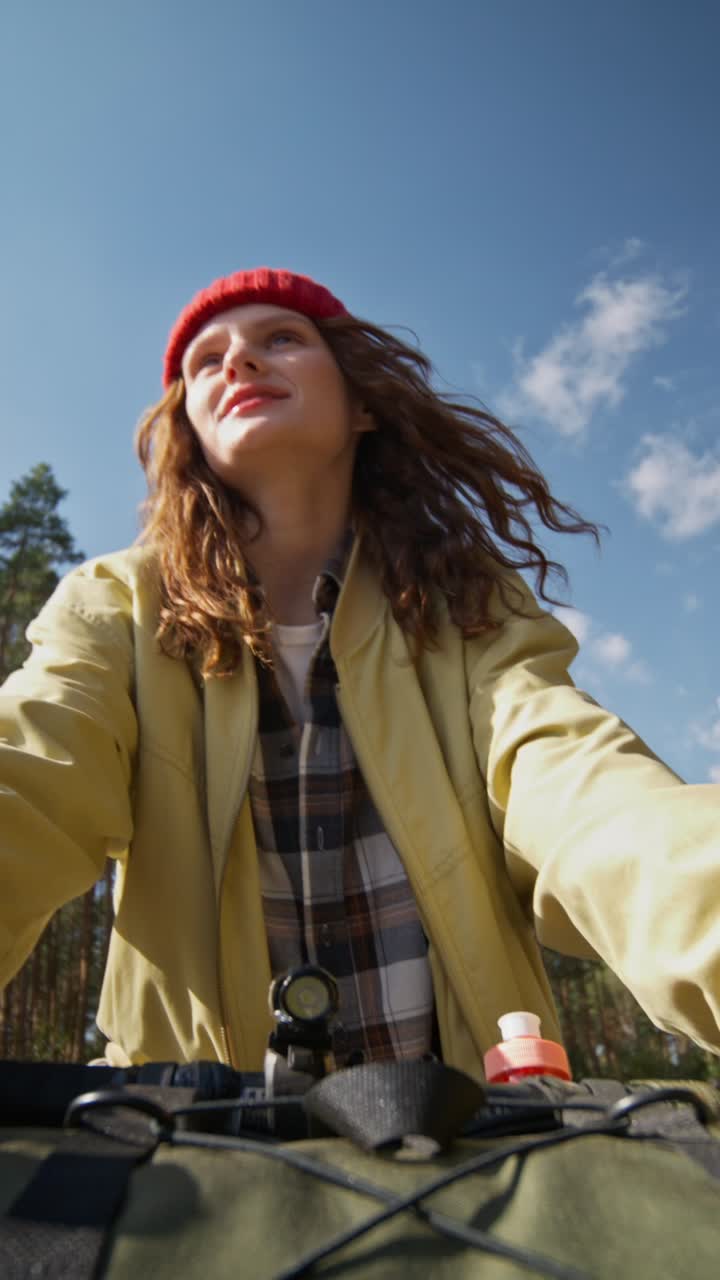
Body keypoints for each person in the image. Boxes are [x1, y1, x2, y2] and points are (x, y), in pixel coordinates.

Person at [1, 267, 718, 1075]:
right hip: (191, 1163)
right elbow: (30, 776)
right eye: (206, 360)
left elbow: (578, 787)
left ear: (364, 401)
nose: (237, 362)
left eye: (281, 340)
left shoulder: (465, 605)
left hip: (473, 1143)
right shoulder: (114, 608)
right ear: (189, 431)